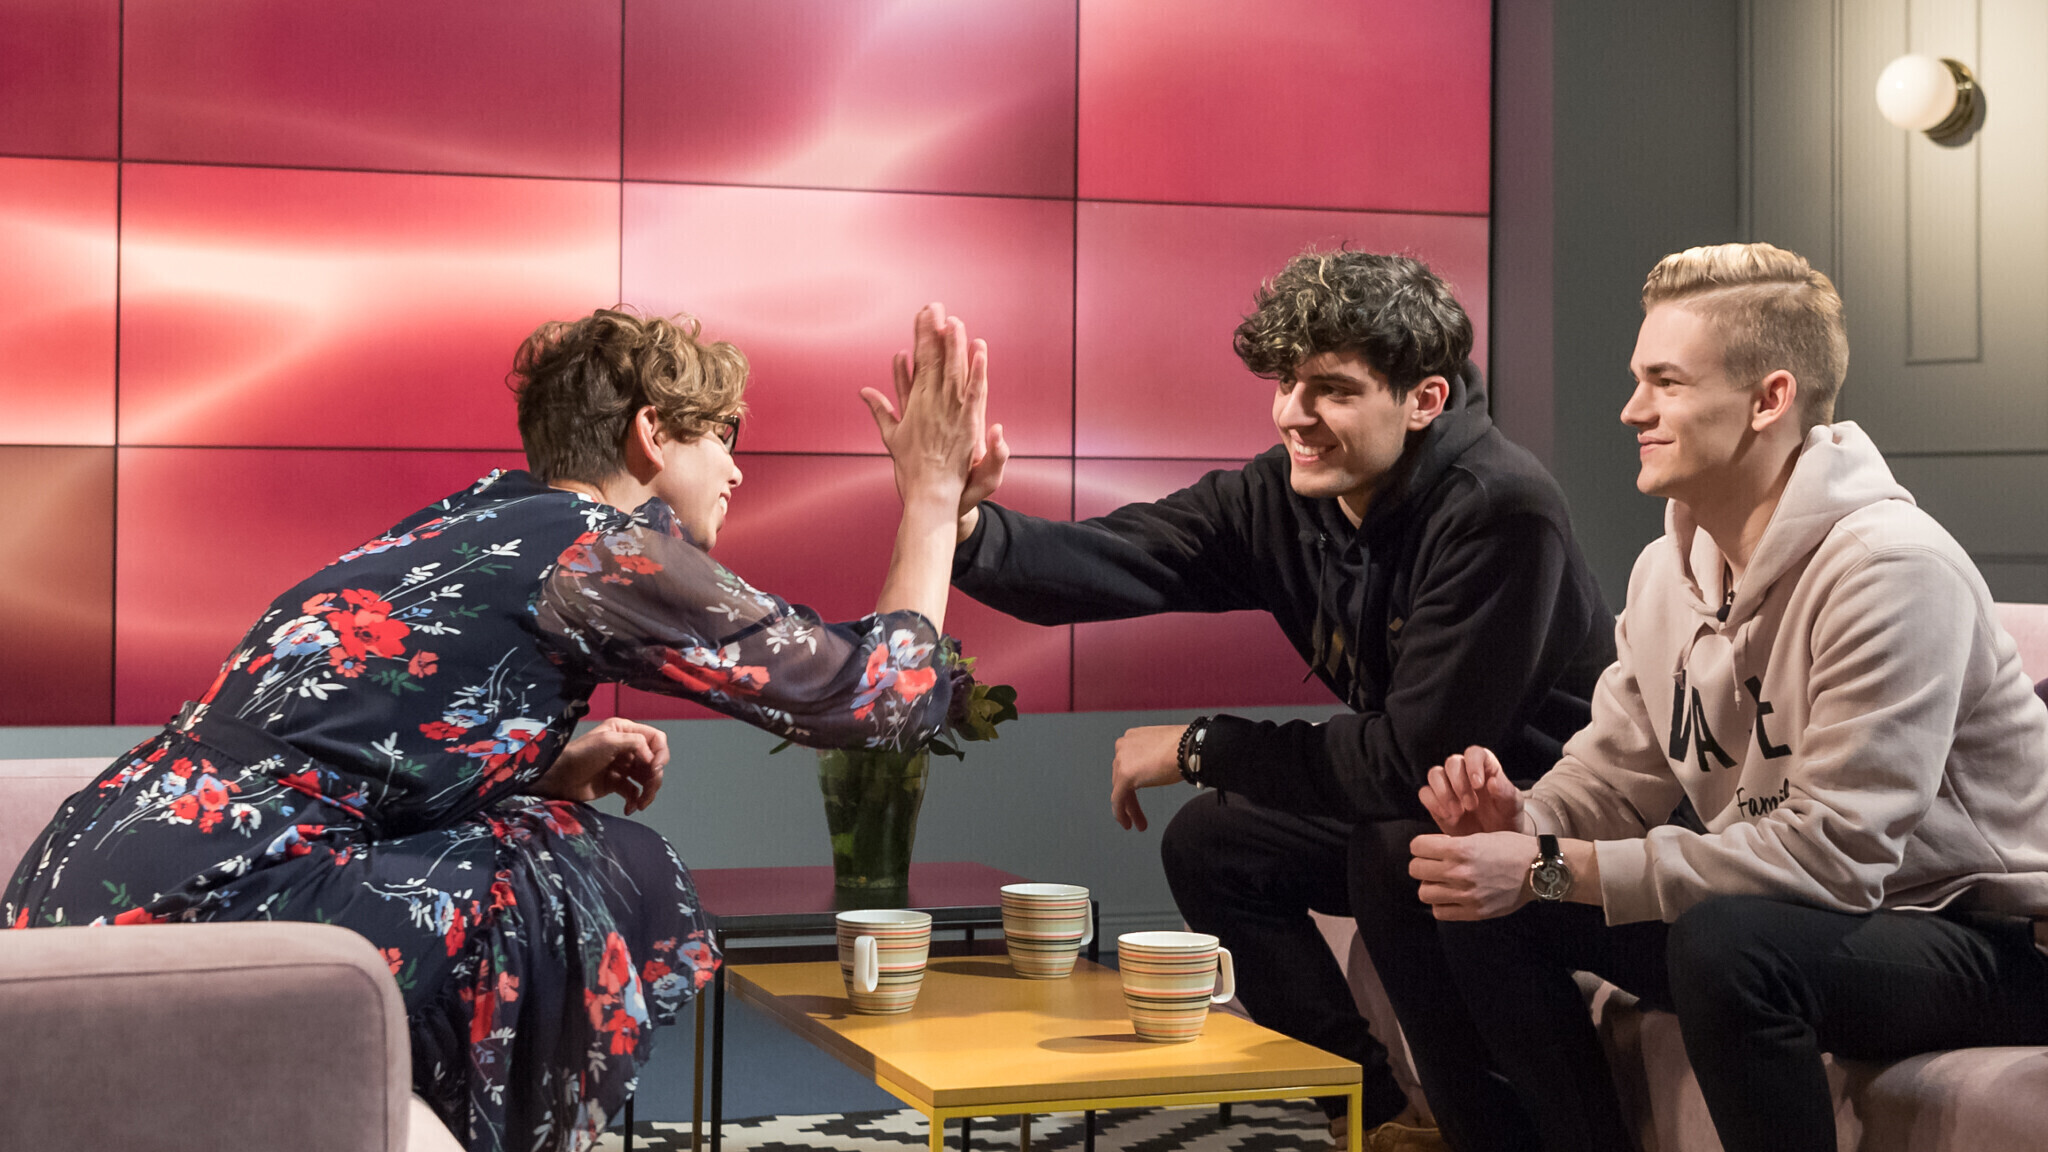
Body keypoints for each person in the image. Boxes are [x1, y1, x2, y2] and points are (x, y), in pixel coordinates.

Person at [4, 302, 992, 1152]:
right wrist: (933, 496)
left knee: (539, 821)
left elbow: (341, 734)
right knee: (609, 861)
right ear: (652, 434)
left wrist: (533, 763)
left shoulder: (470, 519)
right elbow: (875, 699)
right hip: (205, 922)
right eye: (722, 435)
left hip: (81, 893)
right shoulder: (601, 550)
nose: (736, 468)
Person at [909, 250, 1612, 1150]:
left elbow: (1407, 763)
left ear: (1425, 400)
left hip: (1548, 823)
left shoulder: (1498, 510)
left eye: (1332, 390)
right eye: (1286, 383)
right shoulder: (1290, 495)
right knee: (1215, 844)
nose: (1292, 415)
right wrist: (963, 522)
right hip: (1424, 808)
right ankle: (1381, 1116)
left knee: (1398, 848)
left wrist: (1201, 745)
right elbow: (1122, 559)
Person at [1405, 242, 2048, 1152]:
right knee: (1462, 889)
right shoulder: (1666, 569)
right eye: (1639, 381)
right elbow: (1615, 774)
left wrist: (1552, 866)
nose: (1632, 409)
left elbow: (1837, 858)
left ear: (1768, 399)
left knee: (1728, 948)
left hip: (1981, 935)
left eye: (1665, 383)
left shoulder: (1892, 569)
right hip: (1810, 918)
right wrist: (1527, 822)